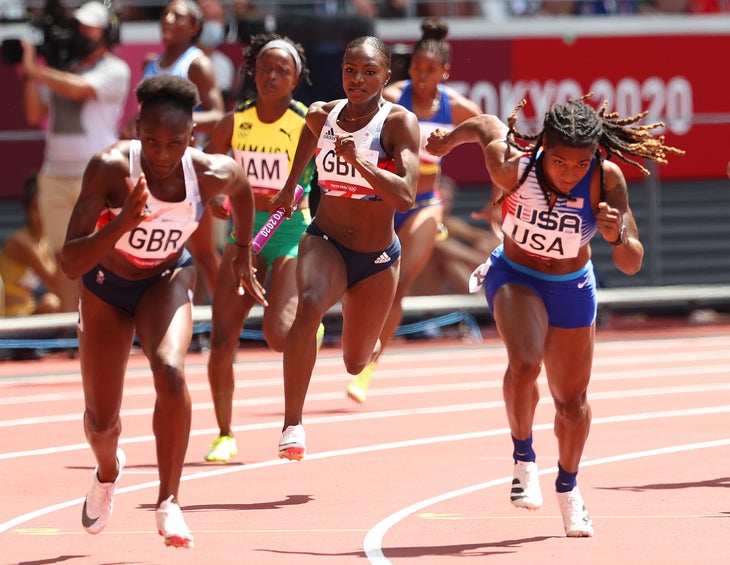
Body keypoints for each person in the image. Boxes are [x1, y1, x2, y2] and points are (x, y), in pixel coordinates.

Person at [426, 95, 683, 537]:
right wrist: (448, 141)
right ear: (543, 146)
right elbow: (486, 124)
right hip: (515, 273)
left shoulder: (606, 179)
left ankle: (569, 488)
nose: (569, 174)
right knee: (525, 363)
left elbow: (632, 262)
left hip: (571, 286)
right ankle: (523, 457)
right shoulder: (514, 166)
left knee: (572, 403)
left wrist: (617, 234)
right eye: (560, 162)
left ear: (596, 157)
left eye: (580, 165)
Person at [59, 75, 266, 548]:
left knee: (171, 371)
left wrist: (242, 250)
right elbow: (70, 261)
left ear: (191, 137)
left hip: (165, 280)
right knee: (101, 423)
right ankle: (108, 471)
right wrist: (122, 225)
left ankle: (168, 502)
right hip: (106, 289)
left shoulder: (208, 172)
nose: (161, 153)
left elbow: (241, 189)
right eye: (151, 140)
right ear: (136, 131)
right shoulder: (111, 167)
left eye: (174, 142)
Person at [271, 36, 420, 461]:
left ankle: (367, 342)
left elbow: (406, 196)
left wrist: (362, 163)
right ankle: (292, 424)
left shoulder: (397, 124)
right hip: (327, 240)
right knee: (310, 304)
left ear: (386, 76)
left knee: (355, 363)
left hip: (375, 260)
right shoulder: (323, 114)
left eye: (369, 72)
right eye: (351, 70)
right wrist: (288, 188)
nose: (358, 79)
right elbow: (307, 136)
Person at [346, 17, 482, 402]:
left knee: (399, 283)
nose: (421, 77)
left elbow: (493, 137)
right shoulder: (392, 96)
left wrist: (500, 191)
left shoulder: (457, 107)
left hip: (425, 203)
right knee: (363, 275)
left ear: (445, 72)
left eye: (430, 71)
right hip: (389, 200)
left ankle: (369, 369)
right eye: (417, 68)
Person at [202, 33, 320, 463]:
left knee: (277, 336)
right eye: (265, 68)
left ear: (296, 78)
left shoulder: (308, 121)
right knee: (220, 340)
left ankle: (312, 327)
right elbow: (207, 171)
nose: (272, 76)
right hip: (243, 236)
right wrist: (216, 199)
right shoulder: (235, 122)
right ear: (253, 71)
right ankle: (224, 433)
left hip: (287, 233)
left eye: (282, 70)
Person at [20, 1, 131, 313]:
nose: (81, 32)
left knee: (103, 255)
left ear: (107, 30)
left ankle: (108, 325)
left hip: (95, 175)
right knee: (62, 257)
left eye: (90, 26)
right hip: (53, 174)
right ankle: (71, 331)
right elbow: (34, 113)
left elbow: (80, 90)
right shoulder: (61, 71)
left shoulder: (115, 69)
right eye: (79, 26)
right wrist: (30, 76)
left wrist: (36, 70)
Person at [142, 0, 227, 306]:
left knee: (203, 253)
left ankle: (225, 328)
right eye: (165, 12)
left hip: (187, 172)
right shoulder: (151, 63)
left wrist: (173, 126)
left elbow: (217, 115)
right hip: (152, 170)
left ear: (194, 26)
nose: (167, 18)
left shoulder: (197, 63)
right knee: (157, 252)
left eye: (177, 15)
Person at [0, 174, 61, 317]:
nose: (40, 215)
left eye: (43, 208)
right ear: (27, 212)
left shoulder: (45, 243)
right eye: (35, 208)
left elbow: (60, 282)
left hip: (29, 309)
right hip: (11, 315)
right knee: (52, 303)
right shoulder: (21, 241)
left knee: (55, 301)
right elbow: (55, 282)